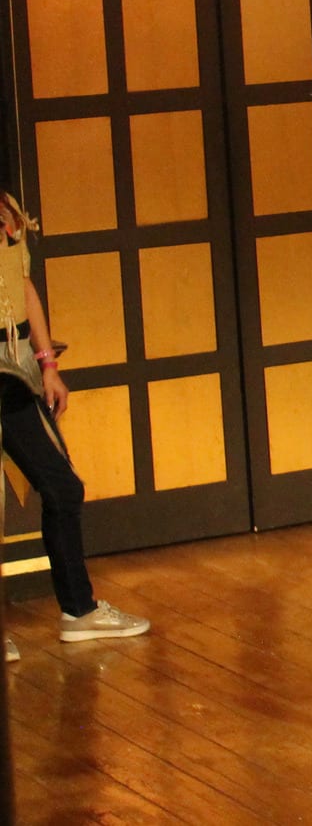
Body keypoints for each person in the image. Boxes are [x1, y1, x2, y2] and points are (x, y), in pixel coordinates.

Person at [0, 193, 151, 664]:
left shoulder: (7, 208)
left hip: (15, 369)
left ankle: (79, 611)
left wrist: (47, 363)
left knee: (63, 487)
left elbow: (23, 286)